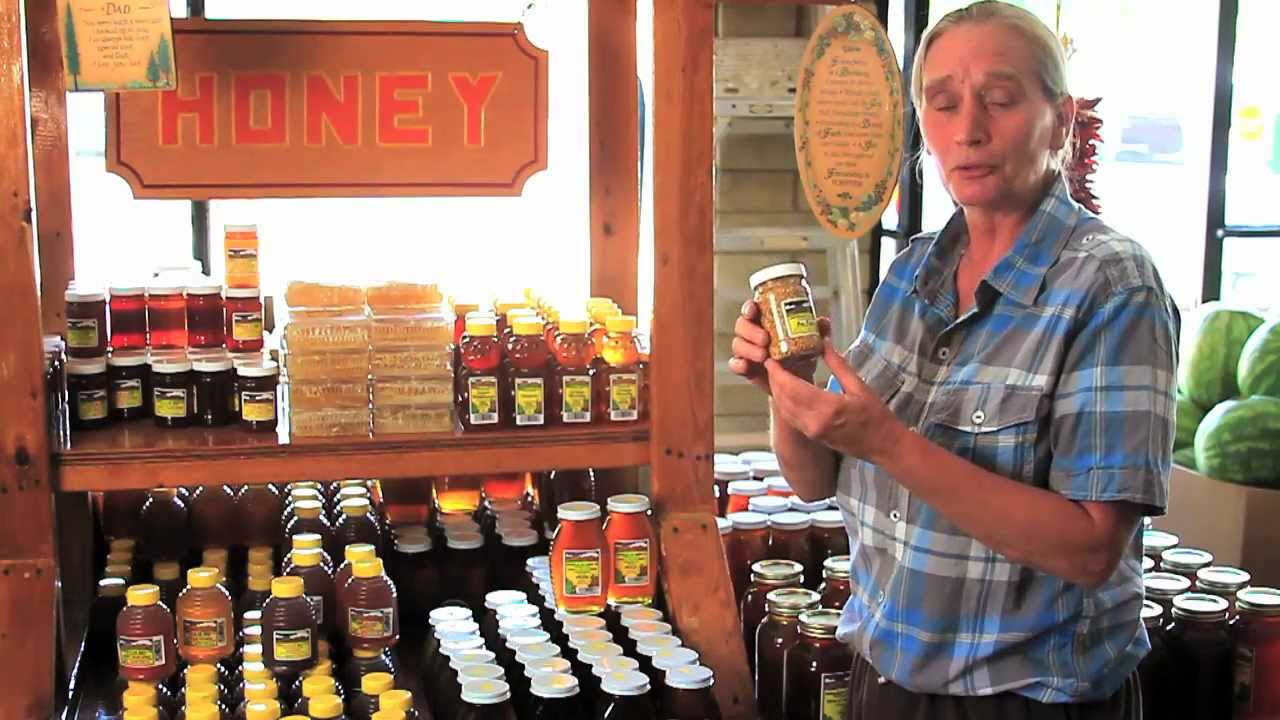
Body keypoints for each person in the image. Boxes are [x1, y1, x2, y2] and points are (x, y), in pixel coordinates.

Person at [730, 2, 1177, 718]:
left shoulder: (1111, 287)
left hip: (1027, 702)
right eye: (941, 104)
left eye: (999, 100)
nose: (967, 129)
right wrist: (789, 387)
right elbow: (815, 480)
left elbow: (1092, 550)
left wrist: (890, 443)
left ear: (1060, 120)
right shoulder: (911, 276)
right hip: (887, 682)